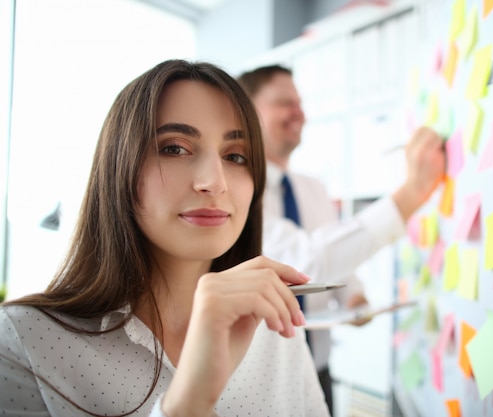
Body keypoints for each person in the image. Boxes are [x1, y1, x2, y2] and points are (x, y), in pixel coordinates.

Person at [0, 59, 330, 417]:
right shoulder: (20, 340)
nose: (214, 183)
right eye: (175, 148)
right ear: (119, 167)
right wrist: (186, 404)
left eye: (236, 156)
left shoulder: (275, 328)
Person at [237, 65, 446, 415]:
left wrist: (354, 296)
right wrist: (411, 194)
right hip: (263, 382)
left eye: (300, 103)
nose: (299, 113)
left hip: (318, 370)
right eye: (285, 102)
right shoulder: (241, 191)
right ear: (248, 112)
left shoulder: (313, 188)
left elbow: (337, 265)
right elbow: (304, 263)